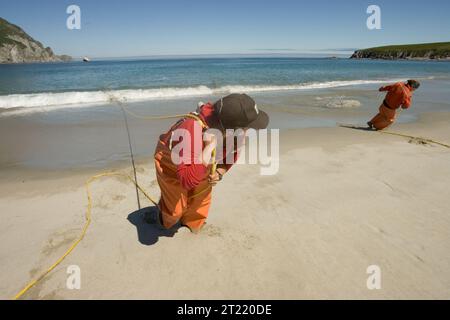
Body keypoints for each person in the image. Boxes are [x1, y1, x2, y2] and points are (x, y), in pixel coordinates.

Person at [148, 93, 269, 233]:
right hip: (172, 162)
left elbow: (233, 153)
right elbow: (187, 180)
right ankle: (162, 215)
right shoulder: (191, 128)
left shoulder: (236, 134)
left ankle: (191, 224)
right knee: (174, 211)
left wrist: (219, 172)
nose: (252, 131)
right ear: (232, 128)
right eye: (249, 127)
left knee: (199, 203)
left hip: (203, 161)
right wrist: (210, 147)